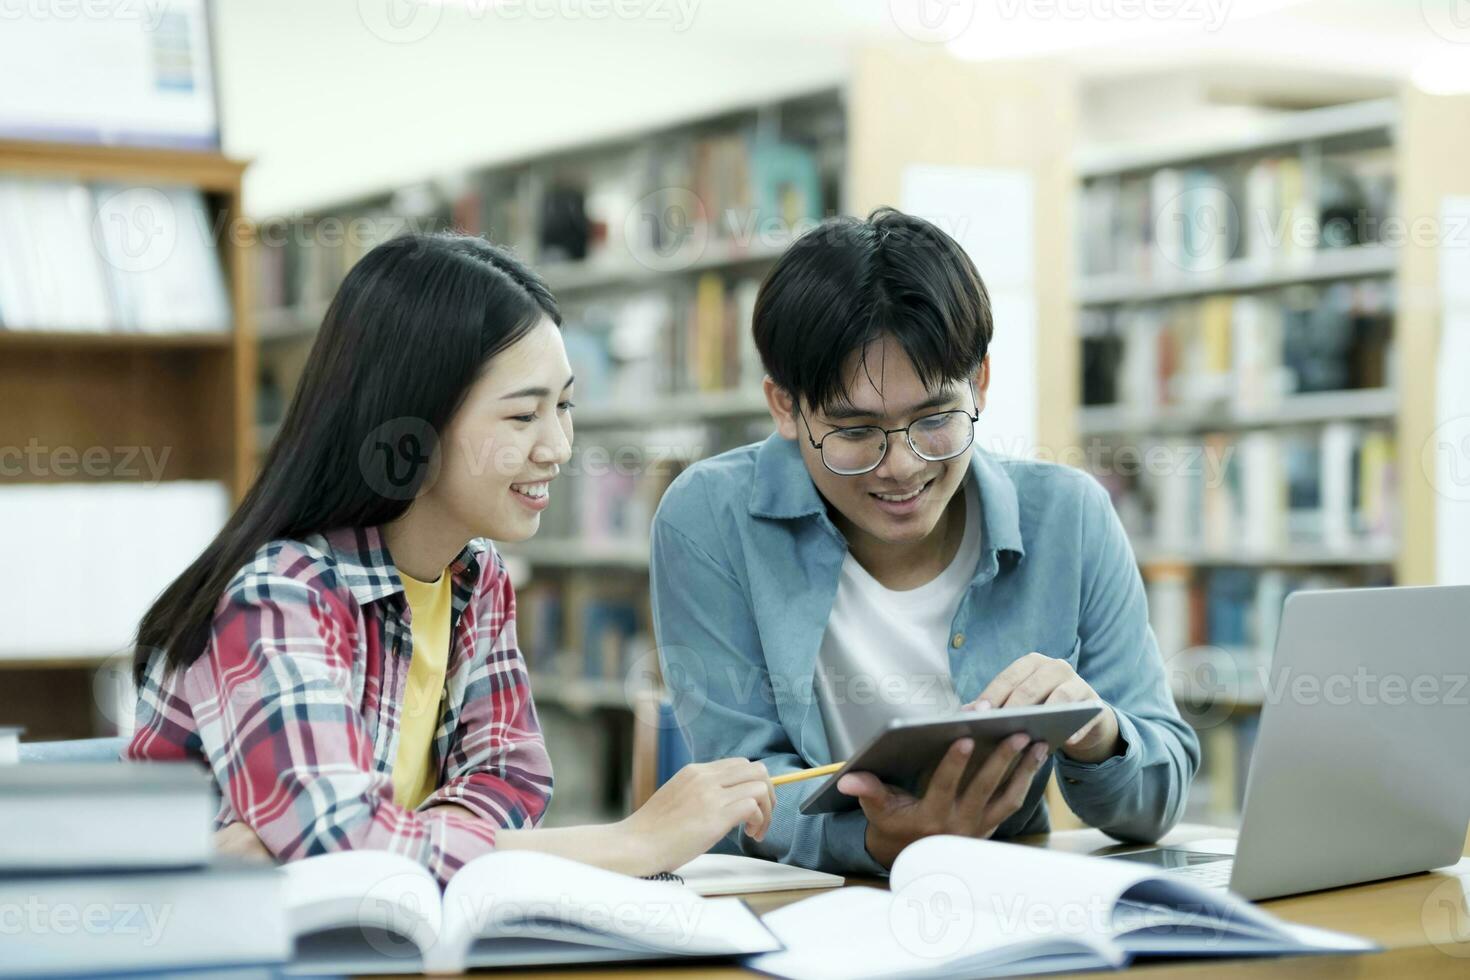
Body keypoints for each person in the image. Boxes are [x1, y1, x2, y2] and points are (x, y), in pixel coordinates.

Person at [128, 233, 774, 884]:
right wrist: (633, 844)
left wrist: (395, 843)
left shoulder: (478, 576)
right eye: (523, 416)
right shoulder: (278, 597)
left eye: (565, 406)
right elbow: (341, 847)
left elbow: (512, 783)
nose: (558, 447)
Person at [650, 208, 1200, 873]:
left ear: (982, 385)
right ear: (785, 407)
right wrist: (876, 844)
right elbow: (739, 789)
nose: (902, 465)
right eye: (854, 432)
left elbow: (1156, 801)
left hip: (1008, 894)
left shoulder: (1069, 516)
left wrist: (1098, 732)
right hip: (809, 908)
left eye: (935, 418)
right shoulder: (708, 518)